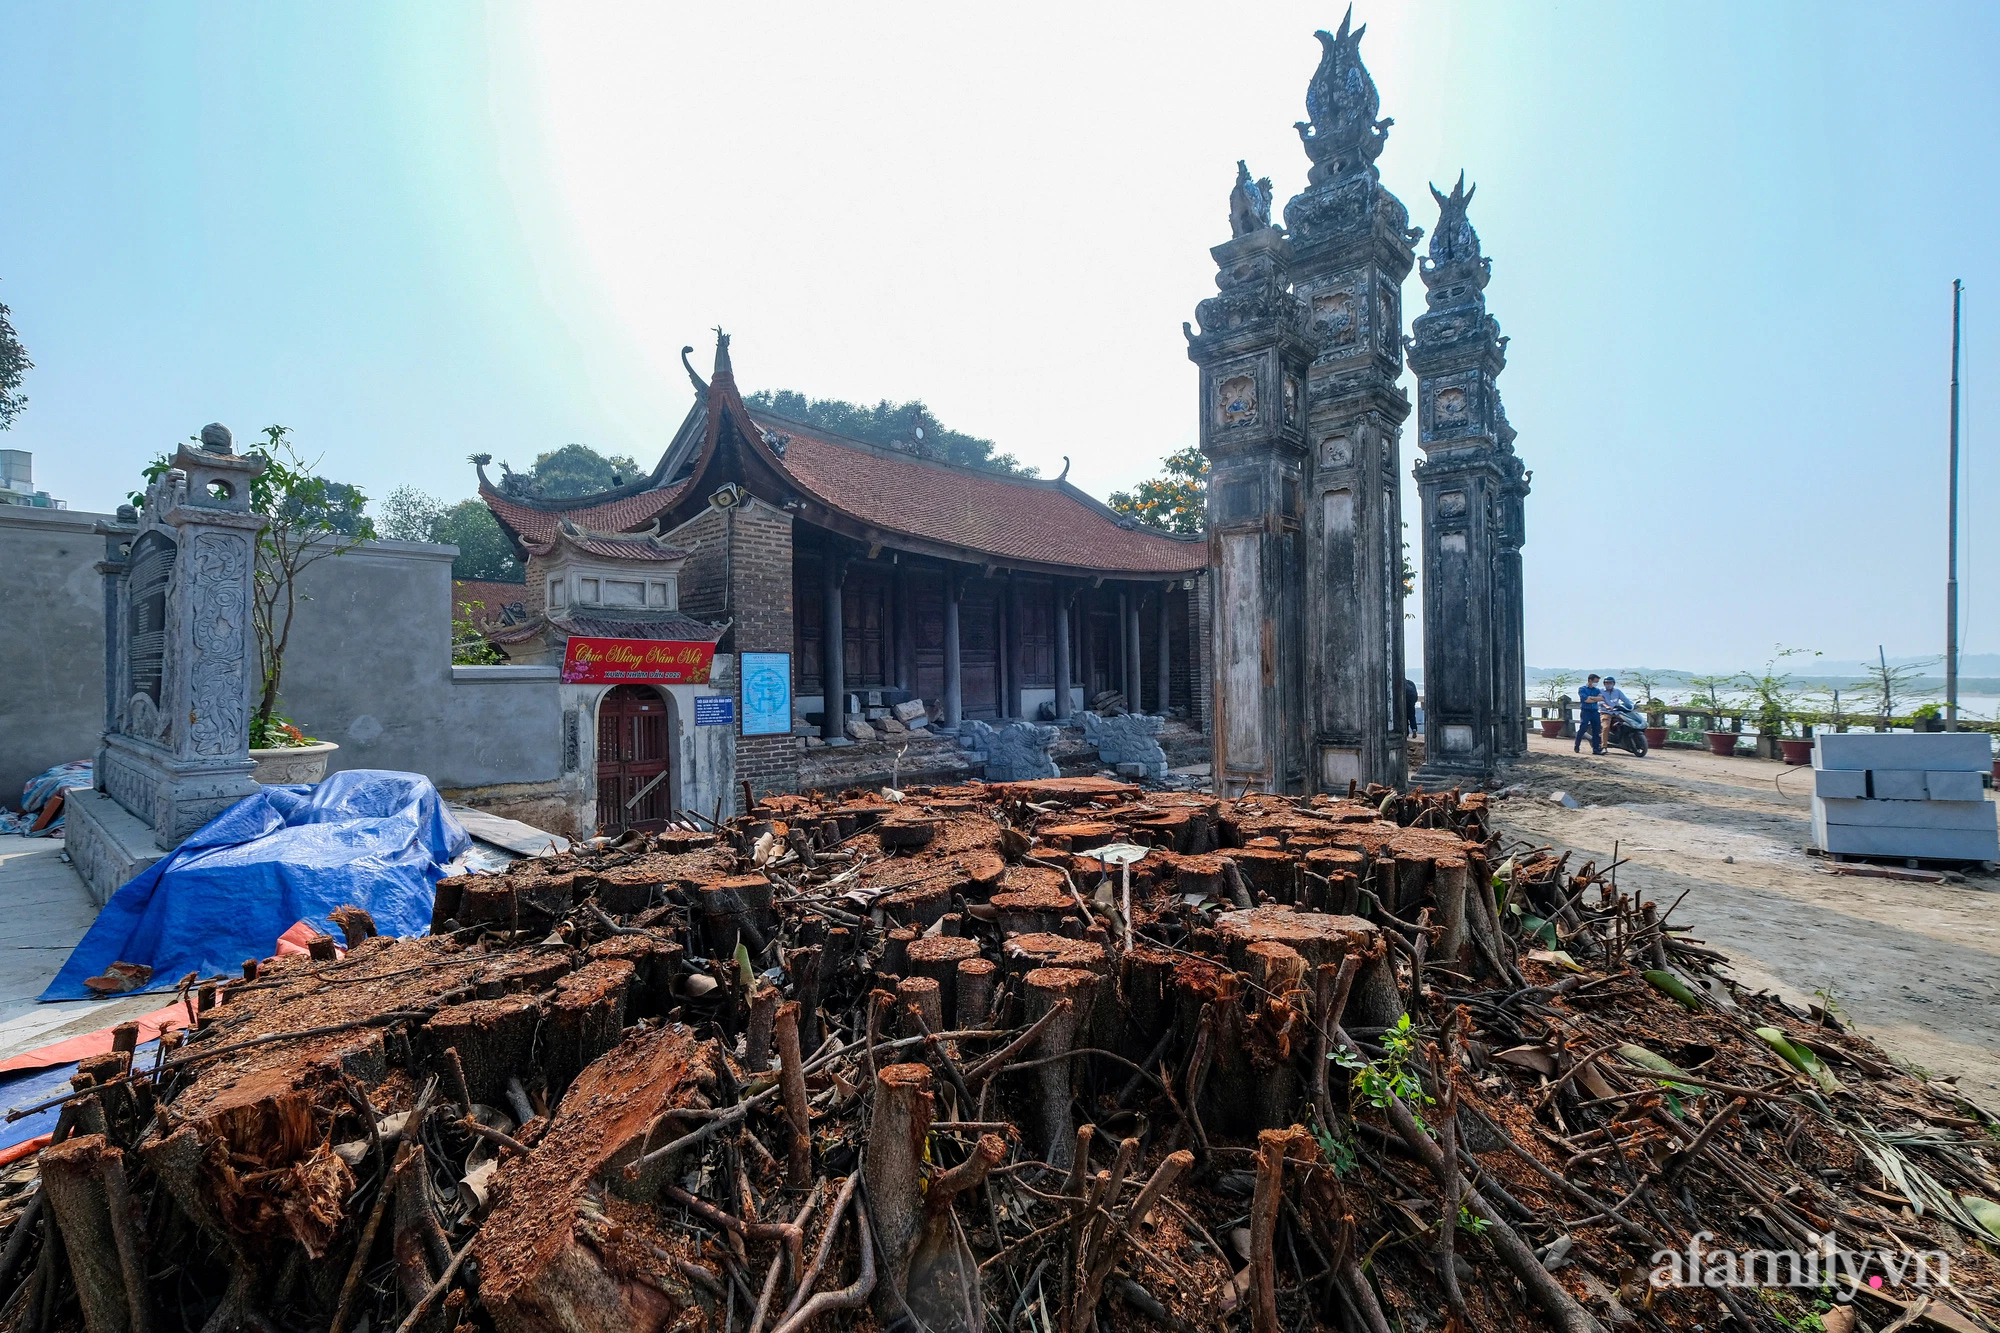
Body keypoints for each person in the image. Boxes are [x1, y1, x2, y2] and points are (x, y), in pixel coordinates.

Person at [1575, 673, 1604, 755]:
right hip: (1585, 711)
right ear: (1590, 680)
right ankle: (1577, 745)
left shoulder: (1597, 690)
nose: (1596, 683)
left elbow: (1601, 698)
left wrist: (1592, 698)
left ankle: (1596, 749)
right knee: (1583, 728)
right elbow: (1586, 700)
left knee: (1596, 730)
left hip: (1595, 711)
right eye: (1595, 681)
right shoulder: (1582, 689)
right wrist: (1595, 699)